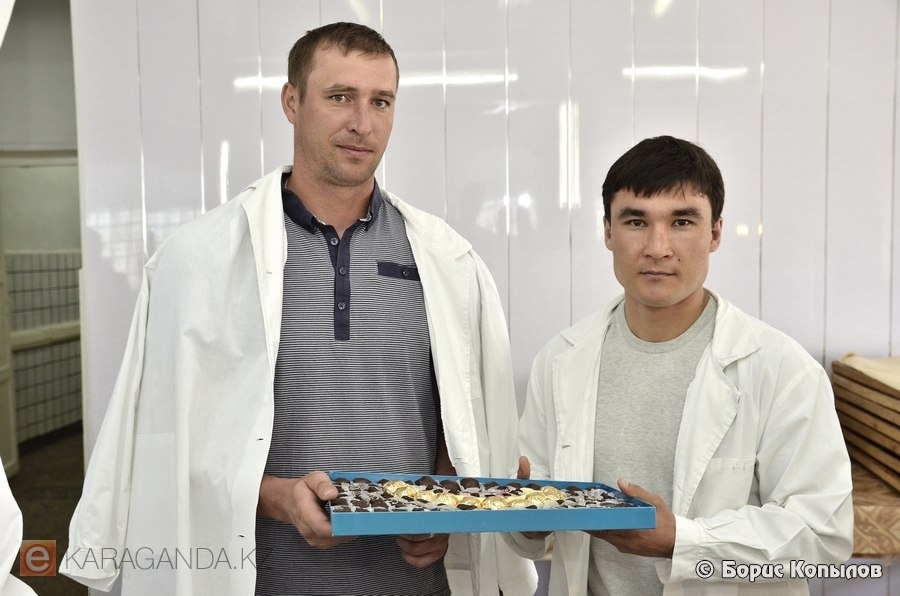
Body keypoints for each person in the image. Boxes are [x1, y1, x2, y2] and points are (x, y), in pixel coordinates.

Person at [62, 22, 537, 596]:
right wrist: (278, 498)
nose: (362, 123)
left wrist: (440, 503)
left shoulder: (445, 260)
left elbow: (458, 416)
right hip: (267, 578)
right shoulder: (200, 260)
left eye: (380, 102)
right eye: (340, 97)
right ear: (292, 101)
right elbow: (168, 443)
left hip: (407, 582)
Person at [506, 136, 854, 595]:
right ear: (608, 232)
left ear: (715, 233)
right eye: (636, 221)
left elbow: (823, 535)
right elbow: (530, 530)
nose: (658, 247)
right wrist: (526, 519)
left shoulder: (780, 369)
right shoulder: (561, 360)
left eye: (682, 221)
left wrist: (682, 541)